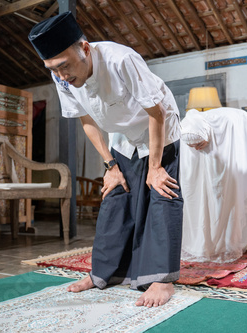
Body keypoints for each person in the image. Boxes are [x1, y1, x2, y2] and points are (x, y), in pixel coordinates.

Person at [28, 11, 183, 307]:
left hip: (159, 128)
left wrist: (155, 167)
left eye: (64, 66)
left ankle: (162, 280)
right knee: (115, 197)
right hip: (123, 136)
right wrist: (111, 166)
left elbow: (157, 112)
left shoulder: (121, 60)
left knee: (162, 194)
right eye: (52, 68)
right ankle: (103, 273)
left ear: (85, 49)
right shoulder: (61, 77)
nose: (61, 75)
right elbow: (86, 120)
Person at [180, 107, 247, 263]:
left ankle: (227, 244)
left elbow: (227, 172)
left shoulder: (230, 124)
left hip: (234, 138)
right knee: (200, 195)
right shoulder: (189, 126)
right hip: (214, 140)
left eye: (199, 144)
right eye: (193, 147)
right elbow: (190, 174)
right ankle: (206, 243)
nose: (196, 148)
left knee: (230, 195)